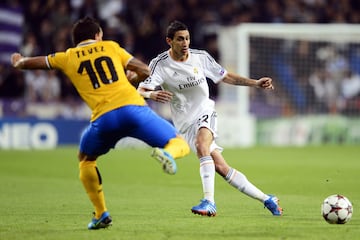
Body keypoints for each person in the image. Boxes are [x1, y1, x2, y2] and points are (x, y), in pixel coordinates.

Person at [11, 17, 190, 230]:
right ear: (98, 36)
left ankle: (101, 213)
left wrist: (19, 61)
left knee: (85, 159)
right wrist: (131, 78)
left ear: (76, 40)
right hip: (133, 109)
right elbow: (145, 70)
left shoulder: (67, 56)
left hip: (104, 119)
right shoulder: (111, 47)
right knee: (179, 142)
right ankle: (167, 154)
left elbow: (33, 63)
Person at [138, 20, 282, 217]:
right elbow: (142, 89)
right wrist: (151, 95)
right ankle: (268, 199)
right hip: (185, 124)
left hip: (205, 111)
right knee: (222, 168)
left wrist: (255, 83)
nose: (185, 43)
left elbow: (226, 77)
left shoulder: (200, 57)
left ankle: (209, 202)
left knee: (201, 145)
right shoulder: (160, 64)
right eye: (180, 39)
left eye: (187, 38)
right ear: (169, 41)